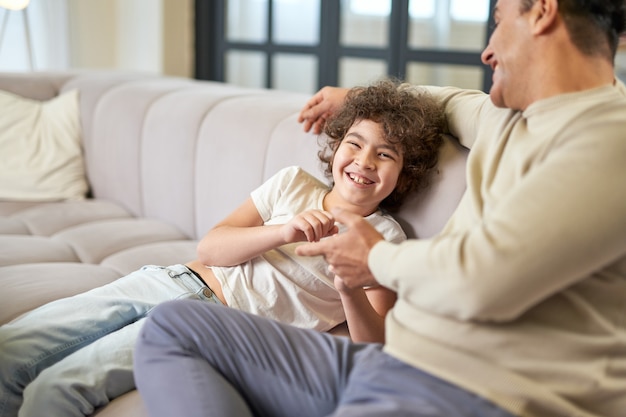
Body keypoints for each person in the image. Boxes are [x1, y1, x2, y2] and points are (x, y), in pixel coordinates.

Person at [132, 1, 626, 416]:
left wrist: (372, 261)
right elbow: (450, 101)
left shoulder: (608, 143)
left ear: (542, 11)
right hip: (393, 362)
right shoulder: (505, 117)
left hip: (470, 391)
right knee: (174, 326)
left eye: (498, 18)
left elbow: (482, 281)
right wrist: (358, 99)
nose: (488, 49)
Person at [0, 79, 445, 417]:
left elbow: (373, 344)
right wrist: (284, 231)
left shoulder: (385, 239)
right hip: (170, 281)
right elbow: (211, 247)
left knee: (56, 389)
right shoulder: (292, 184)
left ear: (405, 174)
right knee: (11, 348)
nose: (365, 162)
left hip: (215, 327)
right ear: (336, 148)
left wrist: (348, 282)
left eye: (386, 155)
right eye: (355, 143)